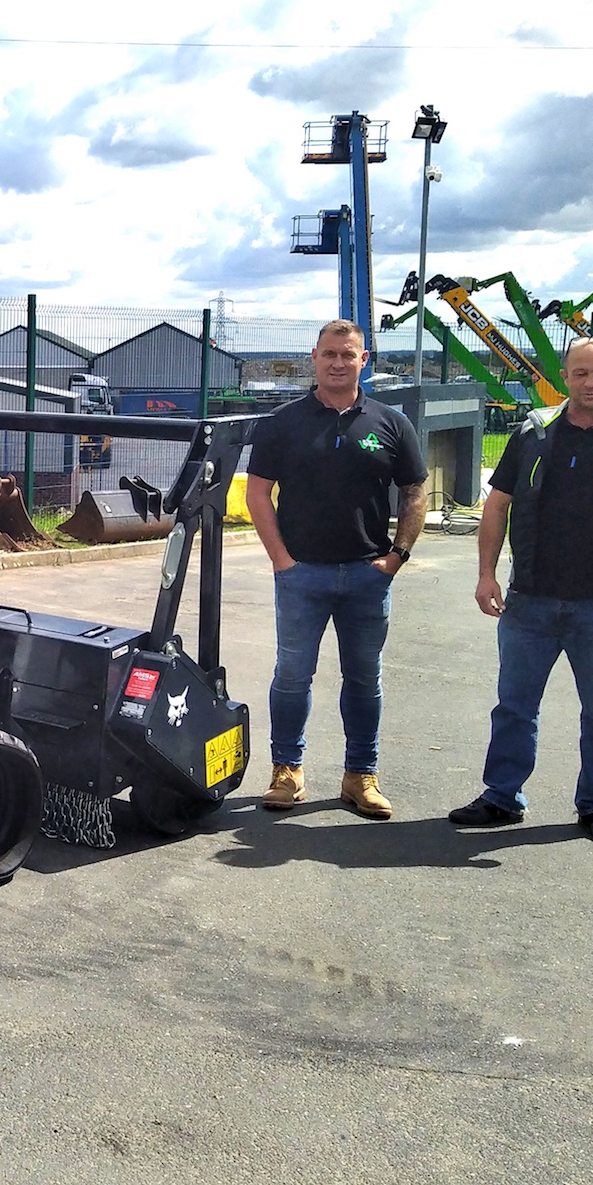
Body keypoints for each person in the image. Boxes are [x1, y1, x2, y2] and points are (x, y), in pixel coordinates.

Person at [450, 336, 593, 846]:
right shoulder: (534, 433)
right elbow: (497, 505)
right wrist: (486, 574)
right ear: (565, 377)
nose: (590, 383)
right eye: (580, 373)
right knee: (514, 706)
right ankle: (502, 797)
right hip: (529, 599)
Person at [246, 320, 427, 819]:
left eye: (348, 355)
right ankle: (287, 771)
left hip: (368, 577)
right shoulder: (284, 422)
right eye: (329, 354)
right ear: (314, 357)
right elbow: (256, 491)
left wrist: (396, 558)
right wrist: (281, 560)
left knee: (364, 679)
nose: (338, 363)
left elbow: (415, 491)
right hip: (301, 575)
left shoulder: (391, 423)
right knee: (291, 677)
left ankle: (360, 776)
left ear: (363, 360)